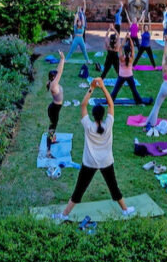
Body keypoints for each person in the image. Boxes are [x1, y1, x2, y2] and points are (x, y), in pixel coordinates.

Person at [52, 78, 135, 221]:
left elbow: (83, 105)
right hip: (106, 162)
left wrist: (91, 88)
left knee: (79, 190)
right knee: (113, 187)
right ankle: (125, 210)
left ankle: (64, 214)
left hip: (89, 162)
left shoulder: (89, 126)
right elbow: (110, 103)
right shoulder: (109, 124)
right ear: (103, 115)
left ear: (93, 115)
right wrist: (102, 87)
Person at [110, 36, 143, 105]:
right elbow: (133, 47)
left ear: (124, 50)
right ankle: (139, 101)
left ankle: (110, 100)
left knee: (116, 90)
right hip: (129, 75)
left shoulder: (121, 57)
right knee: (134, 90)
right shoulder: (131, 57)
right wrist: (130, 38)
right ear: (130, 50)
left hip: (121, 75)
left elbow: (120, 47)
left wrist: (125, 38)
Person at [46, 51, 65, 150]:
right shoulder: (53, 85)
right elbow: (60, 72)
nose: (58, 76)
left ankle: (51, 140)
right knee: (52, 128)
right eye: (56, 76)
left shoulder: (53, 82)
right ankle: (48, 151)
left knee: (53, 127)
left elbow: (58, 71)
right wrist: (62, 59)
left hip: (55, 108)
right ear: (54, 78)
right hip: (54, 109)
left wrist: (61, 60)